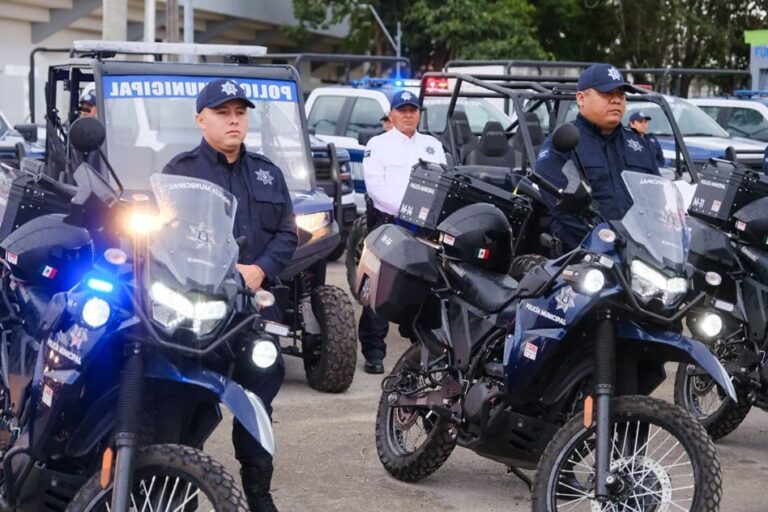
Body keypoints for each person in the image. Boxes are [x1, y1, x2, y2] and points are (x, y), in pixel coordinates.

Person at [163, 78, 298, 512]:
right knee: (186, 399)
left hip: (250, 308)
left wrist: (260, 270)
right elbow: (166, 238)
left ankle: (258, 493)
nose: (234, 120)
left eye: (240, 112)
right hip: (196, 306)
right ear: (201, 119)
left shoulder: (267, 173)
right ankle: (177, 489)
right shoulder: (180, 172)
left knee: (257, 396)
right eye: (223, 112)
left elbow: (286, 234)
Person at [359, 90, 446, 374]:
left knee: (425, 286)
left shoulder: (432, 145)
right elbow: (376, 189)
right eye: (402, 110)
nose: (408, 115)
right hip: (390, 222)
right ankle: (374, 351)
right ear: (392, 115)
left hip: (425, 228)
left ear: (419, 113)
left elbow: (442, 182)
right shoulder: (378, 145)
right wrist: (407, 211)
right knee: (381, 287)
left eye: (413, 109)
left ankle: (421, 345)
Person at [536, 63, 661, 250]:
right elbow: (564, 212)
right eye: (607, 94)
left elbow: (657, 197)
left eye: (620, 94)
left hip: (642, 254)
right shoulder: (562, 144)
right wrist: (609, 244)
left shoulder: (638, 145)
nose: (616, 100)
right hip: (584, 257)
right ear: (581, 99)